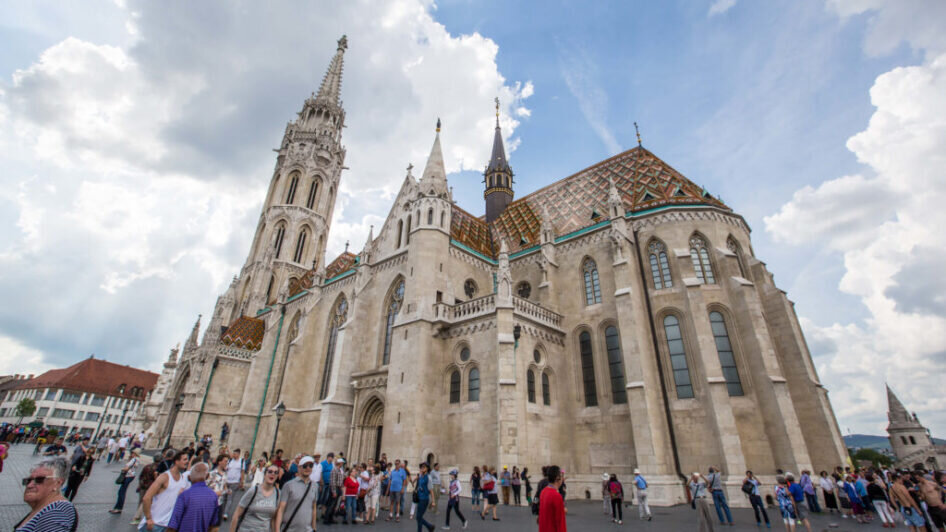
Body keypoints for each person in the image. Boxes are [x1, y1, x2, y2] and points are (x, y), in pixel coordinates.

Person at [15, 457, 78, 531]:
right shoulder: (45, 508)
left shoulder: (57, 511)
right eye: (28, 480)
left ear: (57, 483)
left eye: (39, 480)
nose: (29, 485)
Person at [140, 450, 191, 532]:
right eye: (184, 459)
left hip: (167, 525)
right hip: (154, 524)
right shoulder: (165, 477)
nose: (187, 462)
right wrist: (148, 518)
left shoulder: (182, 478)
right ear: (176, 461)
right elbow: (147, 497)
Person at [165, 462, 219, 532]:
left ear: (189, 477)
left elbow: (173, 525)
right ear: (207, 476)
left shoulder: (185, 496)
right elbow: (213, 525)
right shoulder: (213, 496)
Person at [231, 463, 280, 532]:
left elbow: (273, 519)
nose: (272, 474)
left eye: (276, 472)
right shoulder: (254, 491)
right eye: (270, 471)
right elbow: (237, 514)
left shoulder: (277, 494)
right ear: (265, 474)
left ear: (277, 476)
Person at [275, 455, 318, 532]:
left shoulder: (315, 486)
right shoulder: (288, 485)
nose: (308, 468)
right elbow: (281, 509)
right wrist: (277, 530)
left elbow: (314, 508)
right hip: (290, 529)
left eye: (310, 466)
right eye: (305, 466)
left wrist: (314, 528)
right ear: (299, 468)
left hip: (307, 530)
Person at [132, 455, 160, 526]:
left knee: (141, 501)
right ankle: (138, 517)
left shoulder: (147, 466)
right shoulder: (158, 469)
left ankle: (138, 515)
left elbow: (141, 476)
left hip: (143, 485)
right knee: (146, 501)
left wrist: (140, 484)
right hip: (150, 487)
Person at [112, 448, 142, 514]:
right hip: (131, 475)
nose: (132, 453)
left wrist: (122, 469)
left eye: (133, 452)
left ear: (135, 453)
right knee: (122, 491)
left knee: (121, 492)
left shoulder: (134, 459)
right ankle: (117, 507)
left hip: (128, 475)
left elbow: (126, 468)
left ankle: (118, 508)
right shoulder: (137, 460)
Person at [537, 465, 566, 532]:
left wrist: (534, 506)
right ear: (557, 478)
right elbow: (560, 523)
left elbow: (536, 497)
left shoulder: (542, 490)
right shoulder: (557, 496)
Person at [223, 448, 245, 520]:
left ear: (238, 454)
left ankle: (225, 513)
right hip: (226, 482)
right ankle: (222, 511)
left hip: (235, 482)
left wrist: (241, 482)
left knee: (230, 498)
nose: (233, 455)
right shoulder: (230, 461)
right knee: (224, 497)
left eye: (235, 454)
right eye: (233, 454)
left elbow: (242, 472)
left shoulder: (241, 461)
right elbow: (225, 469)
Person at [208, 454, 230, 525]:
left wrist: (227, 490)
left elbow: (224, 485)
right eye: (225, 461)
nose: (226, 463)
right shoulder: (212, 474)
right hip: (211, 502)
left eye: (227, 461)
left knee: (216, 525)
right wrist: (214, 492)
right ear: (219, 462)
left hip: (220, 502)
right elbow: (206, 487)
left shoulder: (225, 474)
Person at [415, 462, 435, 532]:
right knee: (418, 517)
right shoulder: (421, 476)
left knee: (418, 517)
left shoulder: (428, 478)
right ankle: (430, 527)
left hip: (424, 500)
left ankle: (429, 526)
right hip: (419, 498)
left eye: (424, 467)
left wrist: (433, 501)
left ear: (427, 468)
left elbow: (431, 490)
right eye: (421, 467)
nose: (422, 468)